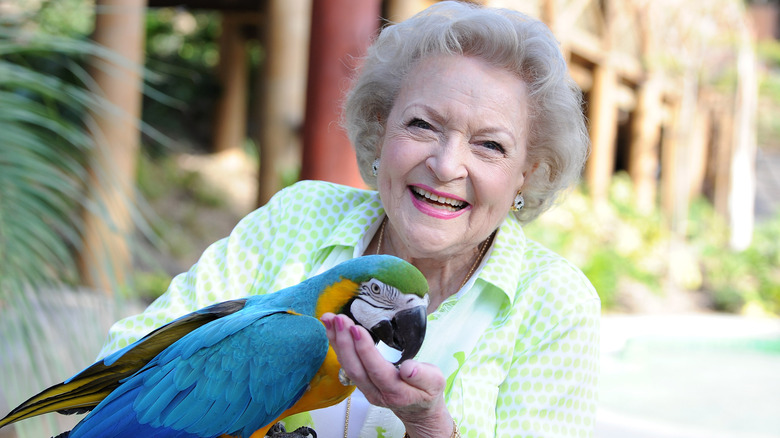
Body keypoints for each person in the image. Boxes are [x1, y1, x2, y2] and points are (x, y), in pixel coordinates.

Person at [98, 2, 600, 437]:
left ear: (526, 173)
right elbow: (127, 367)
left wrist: (429, 428)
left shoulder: (554, 303)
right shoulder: (299, 218)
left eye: (490, 145)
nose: (447, 165)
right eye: (422, 125)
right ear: (381, 128)